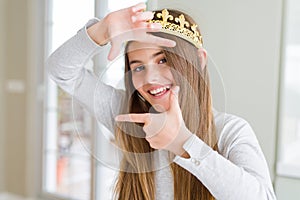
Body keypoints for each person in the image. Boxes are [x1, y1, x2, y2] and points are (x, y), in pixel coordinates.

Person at [46, 2, 276, 200]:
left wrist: (182, 142)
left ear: (199, 60)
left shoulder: (229, 131)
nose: (150, 78)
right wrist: (101, 31)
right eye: (138, 67)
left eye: (163, 59)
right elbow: (62, 71)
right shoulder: (128, 117)